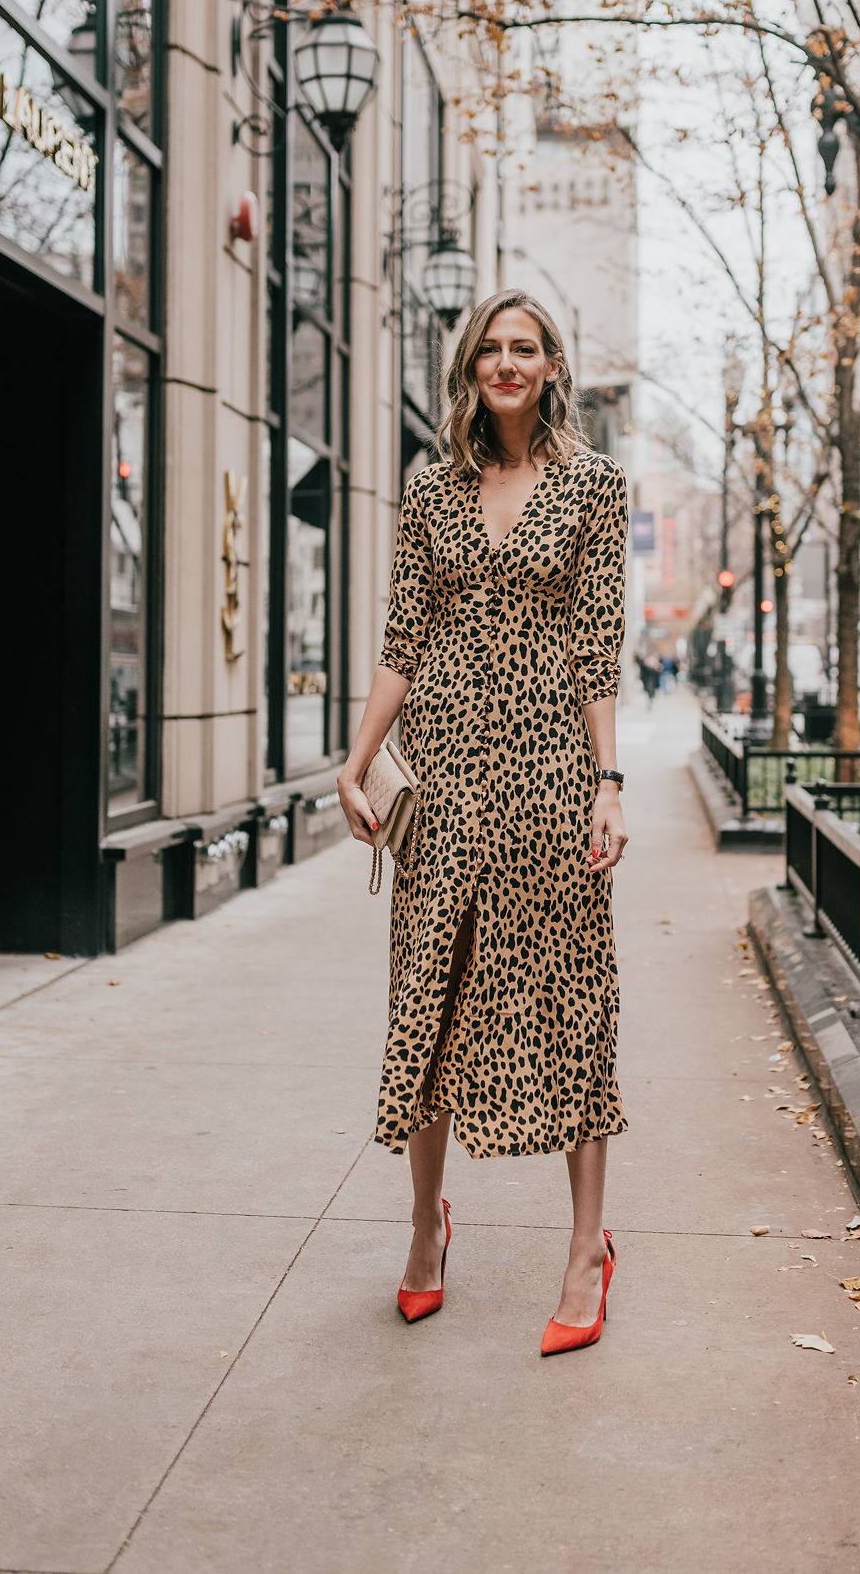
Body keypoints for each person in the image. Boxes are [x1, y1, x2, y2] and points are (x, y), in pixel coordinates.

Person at [337, 289, 630, 1356]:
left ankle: (586, 1246)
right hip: (448, 780)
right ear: (469, 369)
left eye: (525, 348)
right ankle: (426, 1231)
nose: (506, 364)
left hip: (553, 775)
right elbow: (400, 636)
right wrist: (357, 761)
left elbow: (597, 647)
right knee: (429, 998)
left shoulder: (595, 485)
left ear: (553, 365)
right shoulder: (432, 488)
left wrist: (607, 781)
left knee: (572, 1001)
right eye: (489, 350)